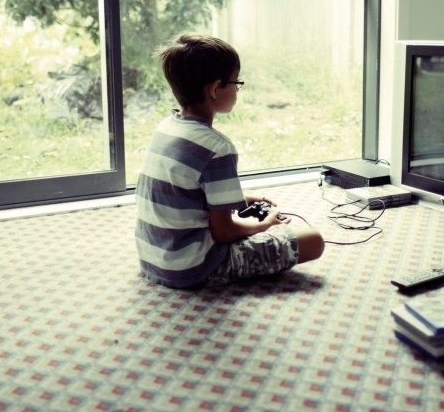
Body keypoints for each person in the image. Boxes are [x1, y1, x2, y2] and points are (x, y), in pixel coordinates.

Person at [134, 34, 325, 288]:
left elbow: (183, 192)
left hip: (152, 259)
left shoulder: (167, 128)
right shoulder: (217, 147)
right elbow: (223, 232)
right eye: (236, 82)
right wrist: (264, 226)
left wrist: (238, 198)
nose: (237, 89)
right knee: (313, 241)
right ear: (216, 89)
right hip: (194, 268)